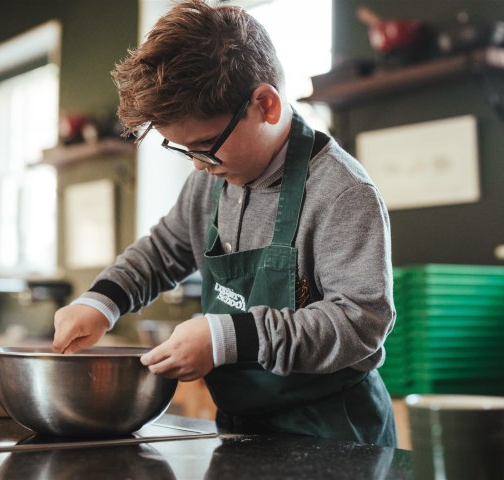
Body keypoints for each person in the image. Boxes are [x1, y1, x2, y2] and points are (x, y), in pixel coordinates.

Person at [53, 0, 397, 447]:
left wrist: (229, 336)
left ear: (265, 105)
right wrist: (102, 301)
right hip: (242, 428)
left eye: (204, 146)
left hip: (334, 433)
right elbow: (162, 251)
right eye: (184, 151)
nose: (198, 167)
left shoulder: (342, 192)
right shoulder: (214, 179)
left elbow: (359, 323)